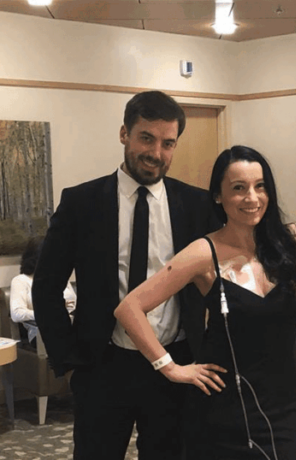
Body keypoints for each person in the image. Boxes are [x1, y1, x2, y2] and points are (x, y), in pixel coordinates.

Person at [114, 145, 296, 459]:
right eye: (238, 188)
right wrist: (171, 368)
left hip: (281, 402)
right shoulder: (204, 252)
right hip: (220, 403)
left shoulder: (294, 238)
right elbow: (129, 308)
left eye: (260, 186)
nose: (252, 198)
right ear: (218, 196)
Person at [31, 90, 220, 460]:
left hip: (176, 363)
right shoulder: (81, 202)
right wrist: (68, 360)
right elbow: (46, 286)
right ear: (124, 134)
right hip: (103, 366)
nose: (156, 153)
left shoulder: (197, 205)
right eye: (146, 138)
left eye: (168, 143)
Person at [10, 235, 76, 348]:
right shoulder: (21, 281)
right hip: (42, 331)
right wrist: (49, 312)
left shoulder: (60, 277)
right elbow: (16, 314)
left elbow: (74, 303)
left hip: (70, 325)